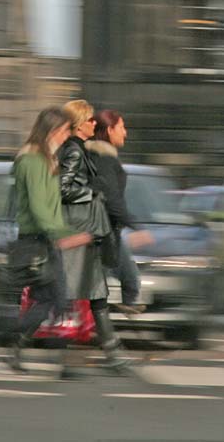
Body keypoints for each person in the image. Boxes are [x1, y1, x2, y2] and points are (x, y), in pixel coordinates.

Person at [6, 106, 91, 375]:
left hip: (45, 240)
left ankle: (17, 347)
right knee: (57, 299)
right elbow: (40, 209)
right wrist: (65, 235)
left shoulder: (45, 159)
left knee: (51, 301)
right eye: (66, 130)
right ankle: (62, 364)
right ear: (54, 130)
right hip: (38, 241)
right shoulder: (32, 161)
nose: (68, 136)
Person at [58, 99, 134, 373]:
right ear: (80, 124)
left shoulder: (79, 150)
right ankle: (23, 344)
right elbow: (64, 190)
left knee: (95, 294)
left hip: (85, 233)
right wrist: (94, 193)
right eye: (90, 120)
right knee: (77, 295)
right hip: (78, 233)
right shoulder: (75, 152)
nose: (94, 124)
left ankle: (108, 355)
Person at [87, 110, 155, 315]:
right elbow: (111, 197)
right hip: (102, 231)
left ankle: (108, 323)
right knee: (123, 278)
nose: (125, 133)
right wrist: (134, 226)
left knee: (126, 279)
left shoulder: (96, 157)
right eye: (122, 127)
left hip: (103, 229)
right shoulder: (104, 159)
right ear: (109, 130)